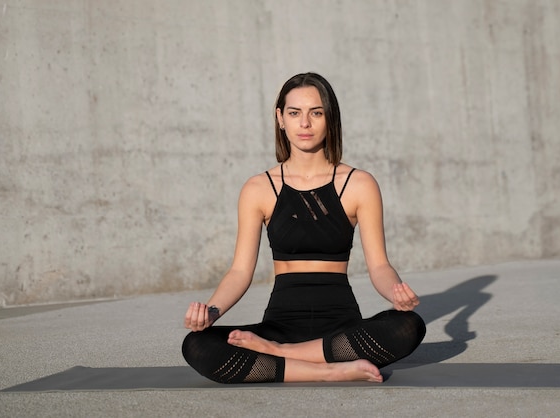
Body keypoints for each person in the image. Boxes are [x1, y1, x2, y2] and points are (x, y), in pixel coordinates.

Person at [182, 72, 425, 383]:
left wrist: (396, 293)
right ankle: (329, 371)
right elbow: (240, 272)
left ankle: (280, 354)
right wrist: (211, 312)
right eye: (295, 113)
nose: (305, 124)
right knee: (197, 345)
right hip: (280, 324)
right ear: (280, 119)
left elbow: (379, 265)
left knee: (409, 325)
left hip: (340, 329)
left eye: (316, 113)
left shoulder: (359, 184)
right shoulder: (258, 188)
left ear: (330, 118)